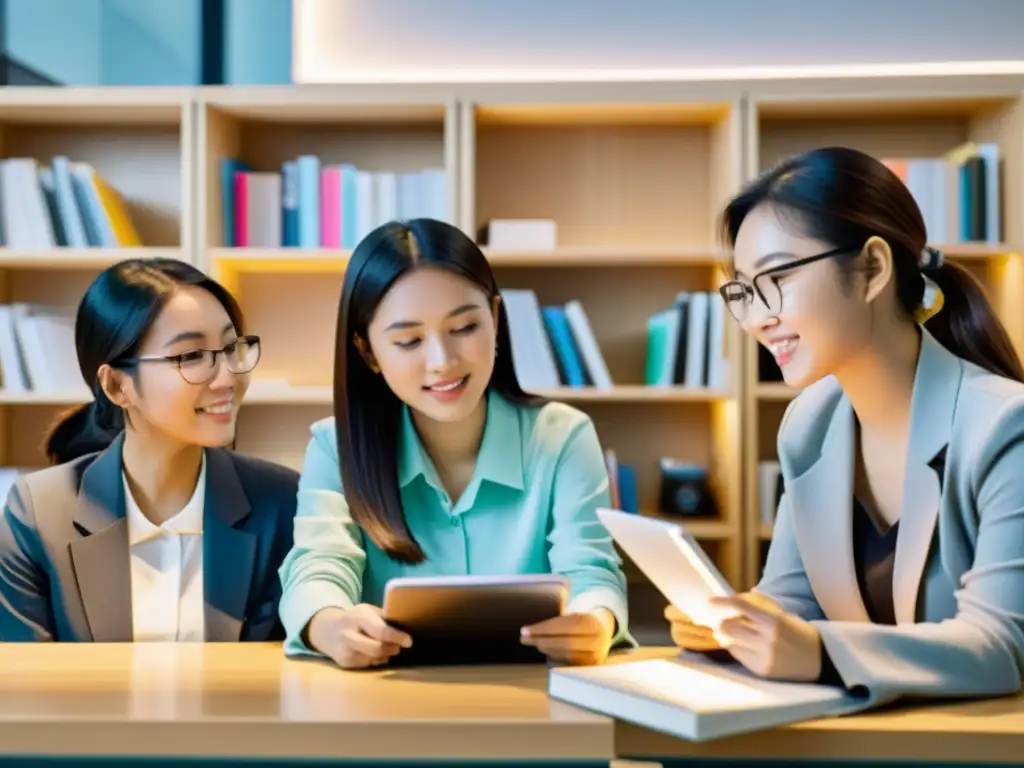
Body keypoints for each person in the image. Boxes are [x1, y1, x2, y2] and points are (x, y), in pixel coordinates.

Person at [667, 146, 1024, 708]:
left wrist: (817, 653)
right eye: (743, 291)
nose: (759, 318)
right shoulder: (808, 425)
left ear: (873, 269)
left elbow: (1002, 645)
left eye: (778, 277)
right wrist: (739, 627)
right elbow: (792, 599)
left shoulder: (1004, 426)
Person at [277, 218, 631, 669]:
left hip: (534, 706)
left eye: (464, 328)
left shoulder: (563, 436)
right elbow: (318, 566)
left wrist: (595, 622)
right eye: (408, 341)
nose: (442, 362)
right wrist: (329, 624)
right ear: (368, 353)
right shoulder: (334, 447)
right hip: (382, 705)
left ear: (496, 320)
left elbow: (591, 569)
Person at [0, 258, 299, 642]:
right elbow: (25, 685)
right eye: (191, 356)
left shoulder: (282, 503)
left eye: (229, 348)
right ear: (117, 387)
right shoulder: (37, 516)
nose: (227, 378)